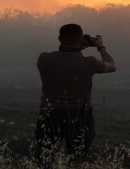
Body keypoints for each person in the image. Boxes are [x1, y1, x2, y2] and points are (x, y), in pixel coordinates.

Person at [34, 23, 117, 165]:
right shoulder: (89, 62)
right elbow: (112, 65)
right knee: (78, 160)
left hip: (49, 116)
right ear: (80, 41)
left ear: (59, 39)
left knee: (44, 160)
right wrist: (100, 46)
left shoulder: (44, 59)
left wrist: (77, 47)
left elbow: (66, 57)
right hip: (79, 117)